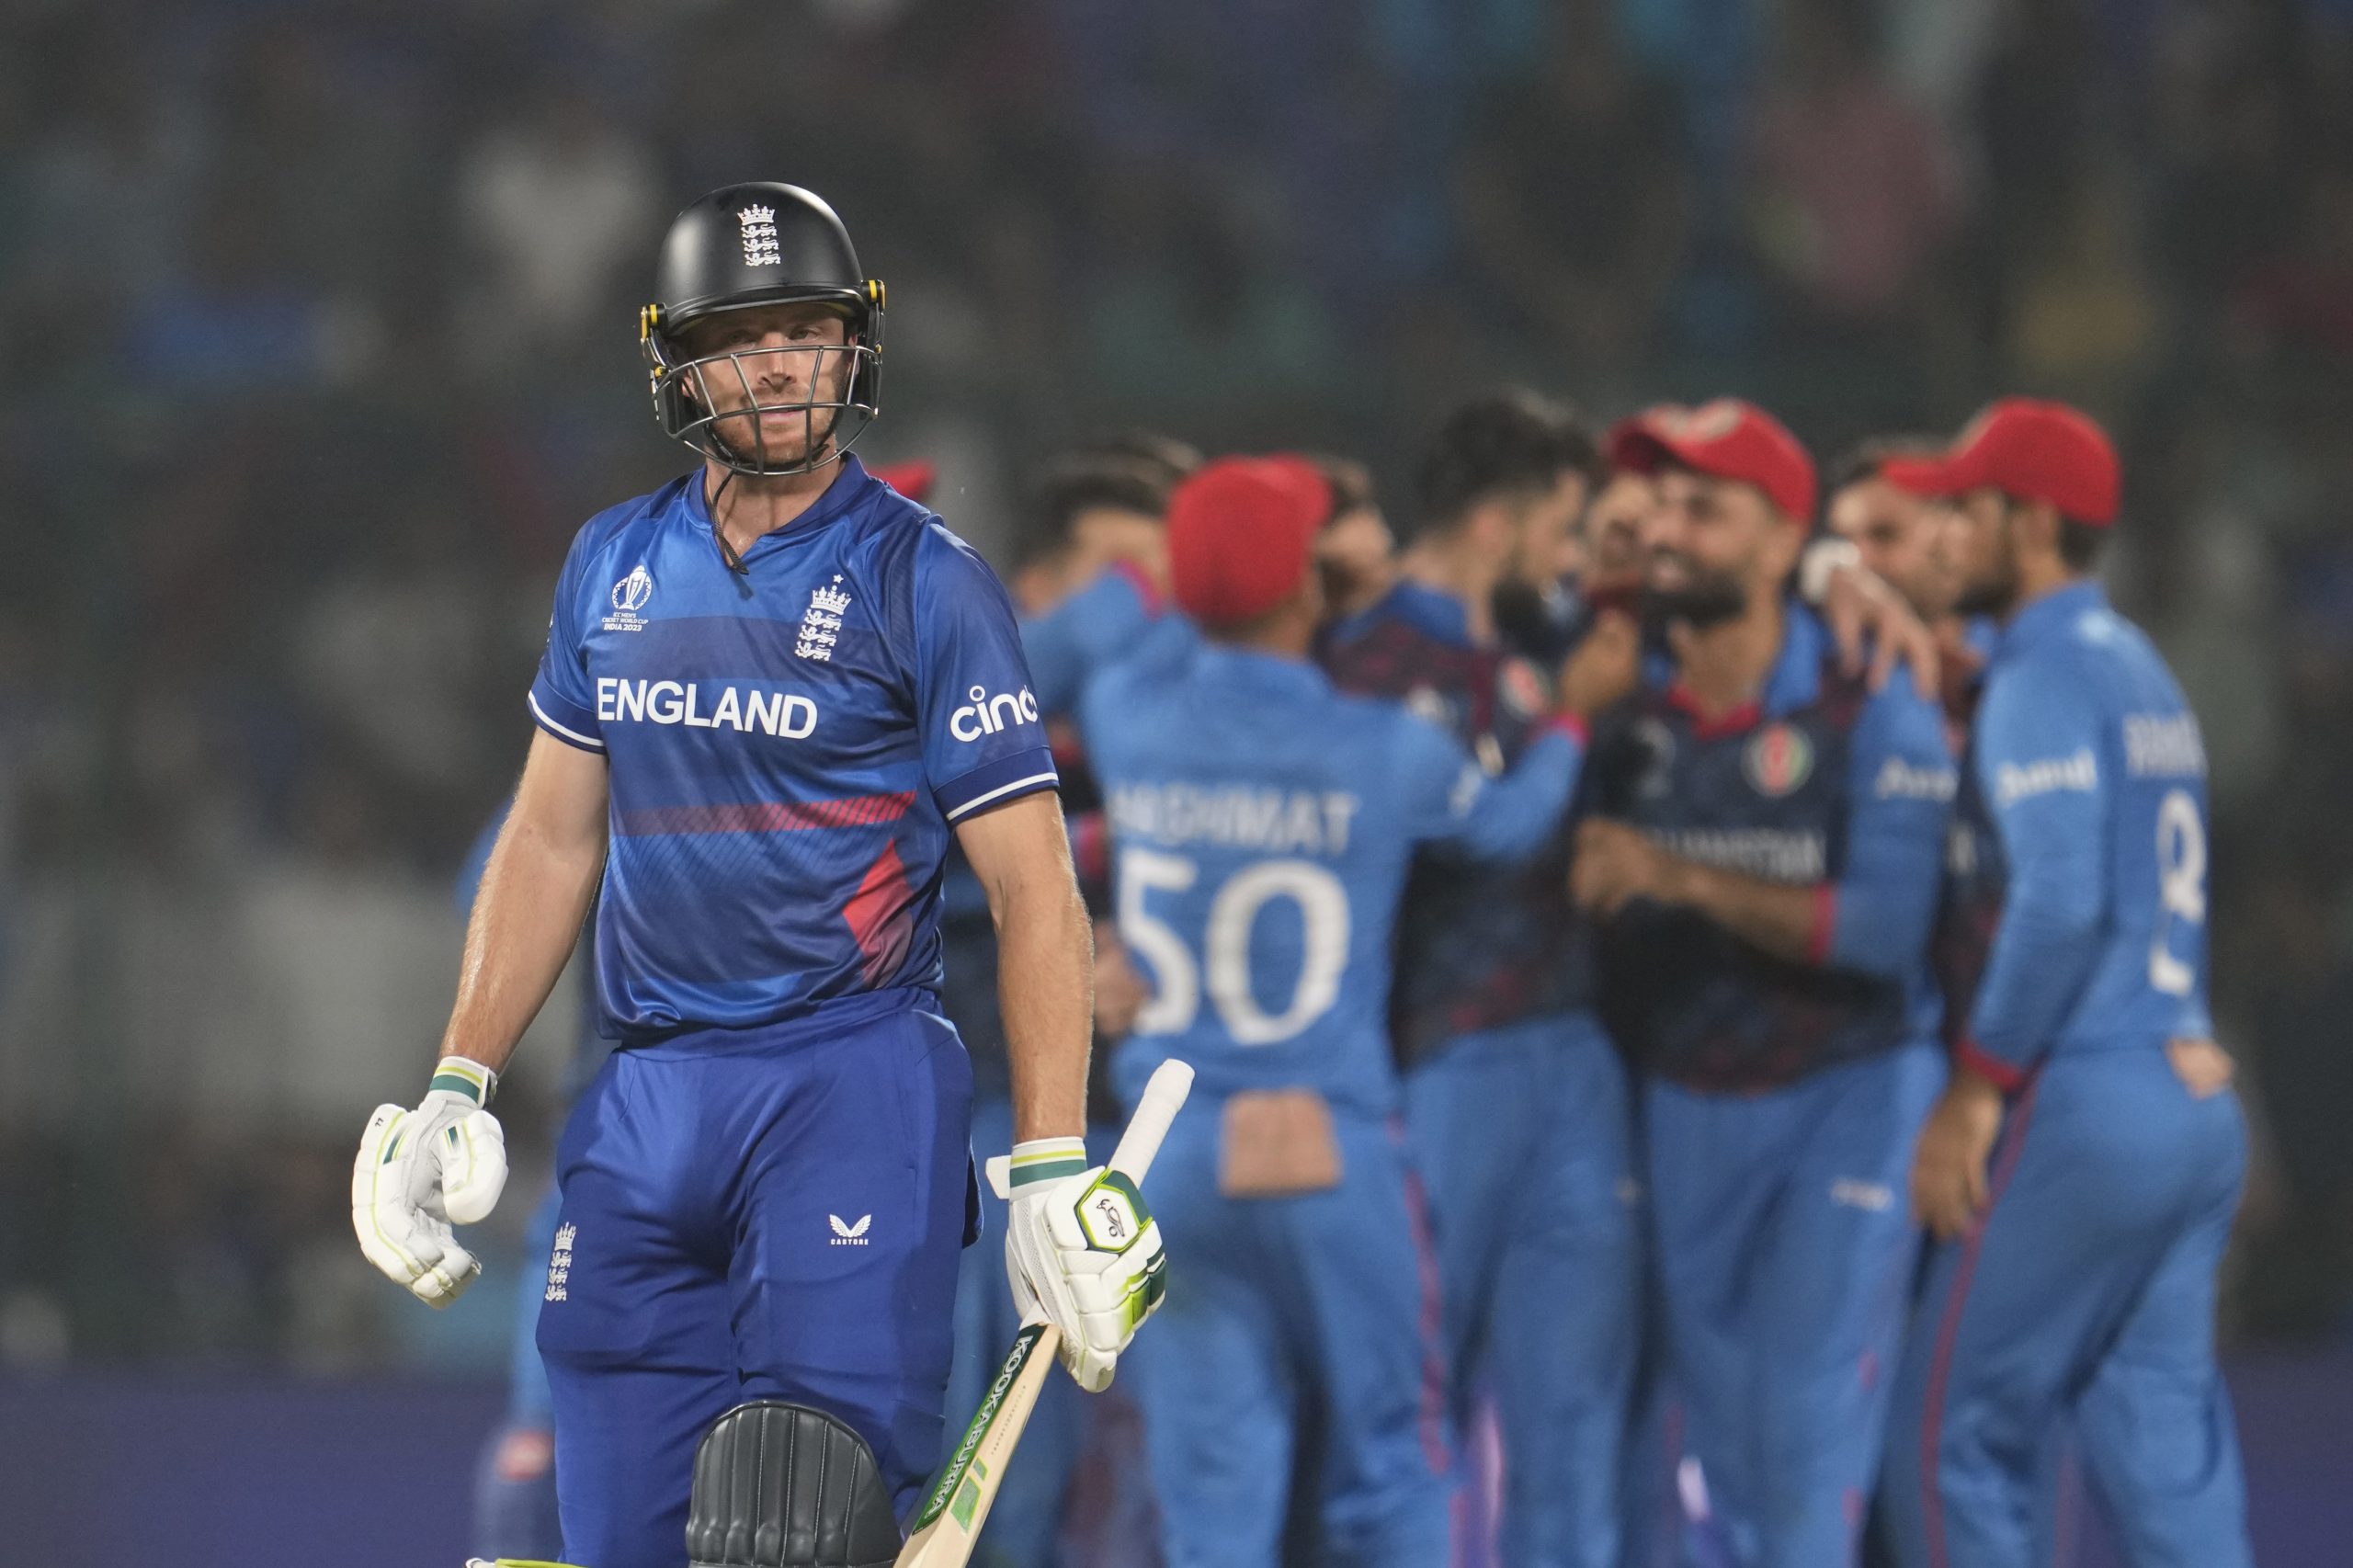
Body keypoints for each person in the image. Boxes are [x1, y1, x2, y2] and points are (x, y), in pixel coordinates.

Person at [350, 183, 1165, 1567]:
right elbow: (551, 836)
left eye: (811, 329)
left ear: (857, 348)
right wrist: (457, 1076)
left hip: (845, 1083)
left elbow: (1037, 890)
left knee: (788, 1516)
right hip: (642, 1098)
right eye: (744, 335)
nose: (784, 362)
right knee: (612, 1541)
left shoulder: (931, 582)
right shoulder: (609, 562)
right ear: (677, 360)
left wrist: (1046, 1160)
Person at [1081, 456, 1637, 1568]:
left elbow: (1151, 643)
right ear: (1310, 585)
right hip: (1335, 1153)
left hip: (1169, 1158)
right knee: (1393, 1463)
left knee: (1212, 1493)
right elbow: (1514, 827)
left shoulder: (1124, 713)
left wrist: (1241, 588)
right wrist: (1569, 719)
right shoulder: (1385, 747)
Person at [1572, 400, 1955, 1568]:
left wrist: (1670, 877)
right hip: (1685, 1099)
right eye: (1661, 504)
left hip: (1848, 1093)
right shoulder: (1615, 691)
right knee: (1729, 1454)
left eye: (1705, 507)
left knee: (1805, 1446)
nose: (1669, 531)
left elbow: (1887, 929)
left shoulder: (1869, 691)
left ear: (1786, 539)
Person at [1874, 401, 2252, 1568]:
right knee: (2158, 1454)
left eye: (1967, 505)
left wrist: (1975, 1088)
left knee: (1950, 1442)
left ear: (2030, 523)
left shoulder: (2039, 678)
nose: (1947, 525)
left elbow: (2057, 900)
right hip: (2186, 1095)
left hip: (2084, 1095)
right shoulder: (2138, 666)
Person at [1321, 391, 1643, 1568]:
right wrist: (1566, 721)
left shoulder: (1544, 641)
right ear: (1502, 526)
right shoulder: (1357, 661)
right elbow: (1481, 831)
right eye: (1564, 530)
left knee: (1570, 1429)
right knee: (1413, 1413)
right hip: (1430, 1068)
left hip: (1572, 1061)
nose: (1573, 560)